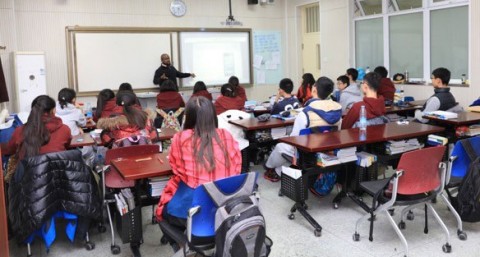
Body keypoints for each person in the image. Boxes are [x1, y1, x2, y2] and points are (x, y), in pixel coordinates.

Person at [155, 96, 241, 247]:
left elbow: (176, 169)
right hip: (227, 207)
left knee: (163, 213)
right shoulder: (226, 135)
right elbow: (237, 167)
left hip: (196, 211)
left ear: (188, 118)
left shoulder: (180, 138)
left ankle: (184, 247)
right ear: (212, 115)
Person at [264, 77, 342, 182]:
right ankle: (278, 171)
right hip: (327, 150)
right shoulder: (337, 111)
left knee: (280, 146)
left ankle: (269, 167)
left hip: (307, 152)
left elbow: (295, 139)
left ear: (314, 90)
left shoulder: (306, 113)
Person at [1, 95, 71, 159]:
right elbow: (67, 145)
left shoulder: (20, 130)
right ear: (53, 110)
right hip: (58, 171)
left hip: (29, 172)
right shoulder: (65, 129)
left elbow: (10, 149)